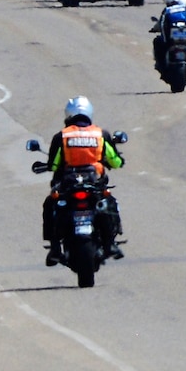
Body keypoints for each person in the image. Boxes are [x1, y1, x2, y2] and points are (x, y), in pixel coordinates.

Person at [42, 96, 124, 264]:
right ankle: (110, 244)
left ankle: (55, 247)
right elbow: (115, 161)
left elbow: (54, 164)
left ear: (68, 114)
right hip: (94, 184)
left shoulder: (63, 136)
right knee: (109, 204)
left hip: (68, 185)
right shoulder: (100, 134)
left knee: (50, 206)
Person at [149, 0, 186, 71]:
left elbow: (161, 24)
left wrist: (154, 29)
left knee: (157, 42)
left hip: (171, 40)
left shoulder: (167, 10)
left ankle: (159, 64)